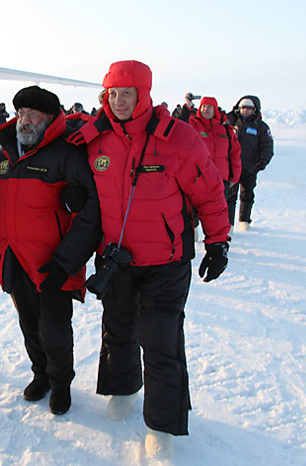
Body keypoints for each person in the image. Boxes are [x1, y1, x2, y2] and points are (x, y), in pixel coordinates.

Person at [67, 60, 231, 461]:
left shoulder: (178, 139)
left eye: (127, 94)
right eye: (112, 94)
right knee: (118, 328)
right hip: (117, 260)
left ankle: (162, 424)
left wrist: (218, 241)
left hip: (166, 261)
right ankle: (122, 388)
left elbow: (209, 191)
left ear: (144, 95)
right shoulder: (94, 139)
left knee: (160, 339)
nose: (119, 102)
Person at [0, 86, 101, 415]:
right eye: (21, 113)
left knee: (53, 329)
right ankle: (40, 374)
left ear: (51, 119)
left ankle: (61, 382)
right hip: (14, 256)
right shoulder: (4, 151)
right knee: (29, 323)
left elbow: (92, 210)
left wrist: (66, 263)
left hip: (51, 261)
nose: (25, 120)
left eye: (33, 114)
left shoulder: (66, 153)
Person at [188, 96, 242, 226]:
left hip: (219, 179)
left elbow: (235, 154)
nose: (206, 109)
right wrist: (187, 107)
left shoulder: (226, 131)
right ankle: (192, 236)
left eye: (209, 107)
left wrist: (234, 178)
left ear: (215, 110)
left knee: (216, 213)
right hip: (196, 177)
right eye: (203, 106)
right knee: (191, 211)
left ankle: (217, 241)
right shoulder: (192, 125)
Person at [225, 95, 274, 230]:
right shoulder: (230, 122)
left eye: (249, 108)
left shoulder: (261, 127)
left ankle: (244, 221)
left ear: (255, 110)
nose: (245, 110)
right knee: (230, 196)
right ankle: (229, 224)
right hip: (231, 167)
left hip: (250, 167)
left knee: (247, 194)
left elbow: (267, 146)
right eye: (243, 108)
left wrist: (261, 163)